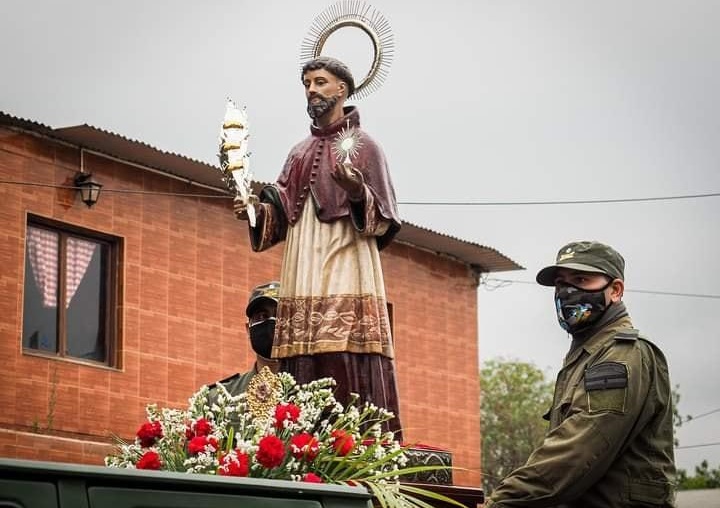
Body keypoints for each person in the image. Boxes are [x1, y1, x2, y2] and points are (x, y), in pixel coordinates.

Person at [233, 56, 403, 437]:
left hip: (346, 254)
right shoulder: (297, 152)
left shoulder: (366, 147)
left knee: (341, 344)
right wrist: (254, 212)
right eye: (307, 82)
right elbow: (278, 211)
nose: (311, 89)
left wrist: (357, 190)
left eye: (320, 82)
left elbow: (386, 218)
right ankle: (302, 438)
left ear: (342, 89)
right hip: (302, 262)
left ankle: (349, 439)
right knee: (303, 350)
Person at [485, 241, 676, 508]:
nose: (566, 291)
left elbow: (579, 449)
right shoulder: (585, 356)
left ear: (616, 290)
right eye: (561, 283)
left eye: (581, 279)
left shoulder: (621, 355)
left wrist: (500, 502)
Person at [208, 281, 281, 399]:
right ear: (248, 329)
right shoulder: (221, 397)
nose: (271, 322)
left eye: (280, 315)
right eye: (262, 316)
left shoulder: (313, 390)